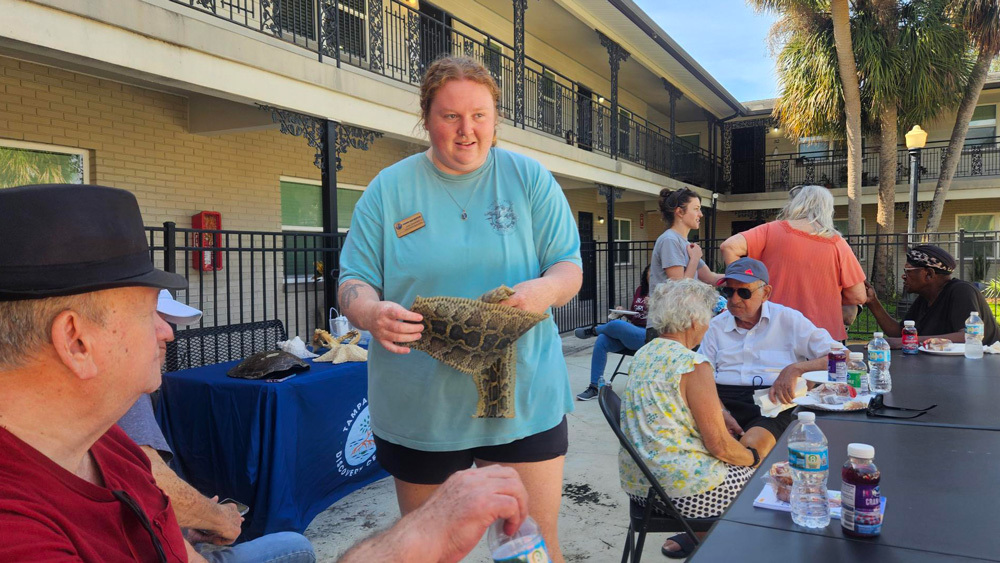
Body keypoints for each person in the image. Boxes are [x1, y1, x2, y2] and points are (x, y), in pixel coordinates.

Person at [337, 56, 582, 561]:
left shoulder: (529, 179)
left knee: (532, 544)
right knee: (430, 550)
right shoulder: (389, 189)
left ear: (495, 118)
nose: (466, 131)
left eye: (480, 115)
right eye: (450, 116)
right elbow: (352, 281)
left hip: (523, 399)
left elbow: (568, 267)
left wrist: (544, 291)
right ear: (427, 118)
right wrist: (370, 313)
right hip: (422, 406)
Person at [0, 184, 196, 562]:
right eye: (150, 311)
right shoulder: (15, 535)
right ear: (76, 342)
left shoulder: (106, 444)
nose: (166, 331)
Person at [117, 291, 315, 563]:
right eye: (153, 317)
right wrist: (217, 518)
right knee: (297, 546)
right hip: (159, 550)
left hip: (162, 539)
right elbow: (150, 484)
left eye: (165, 319)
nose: (168, 333)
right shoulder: (122, 386)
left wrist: (187, 526)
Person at [618, 279, 760, 559]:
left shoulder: (645, 353)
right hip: (681, 492)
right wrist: (753, 457)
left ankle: (705, 541)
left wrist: (721, 415)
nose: (708, 325)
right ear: (694, 320)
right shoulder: (693, 364)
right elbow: (719, 445)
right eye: (707, 318)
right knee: (766, 483)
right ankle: (729, 551)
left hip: (640, 487)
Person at [698, 258, 838, 460]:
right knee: (707, 447)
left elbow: (842, 357)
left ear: (766, 293)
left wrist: (797, 369)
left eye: (744, 292)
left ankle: (739, 487)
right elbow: (702, 376)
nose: (734, 300)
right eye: (729, 292)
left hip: (773, 402)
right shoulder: (716, 326)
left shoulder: (788, 319)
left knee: (750, 449)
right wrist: (719, 411)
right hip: (721, 399)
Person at [719, 184, 866, 342]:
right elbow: (858, 296)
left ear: (796, 204)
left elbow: (729, 246)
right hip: (822, 334)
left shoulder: (771, 230)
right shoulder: (837, 243)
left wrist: (746, 287)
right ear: (827, 209)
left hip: (774, 328)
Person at [865, 245, 999, 346]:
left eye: (908, 271)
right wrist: (873, 302)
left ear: (929, 274)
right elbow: (899, 333)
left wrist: (907, 342)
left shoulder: (961, 291)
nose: (903, 276)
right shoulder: (925, 297)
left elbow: (970, 336)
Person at [573, 265, 651, 401]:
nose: (652, 276)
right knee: (602, 339)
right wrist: (623, 311)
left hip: (647, 336)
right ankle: (594, 386)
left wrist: (655, 305)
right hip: (633, 332)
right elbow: (635, 316)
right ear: (645, 275)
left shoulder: (663, 293)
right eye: (650, 273)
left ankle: (593, 330)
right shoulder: (640, 290)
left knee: (616, 325)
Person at [649, 187, 723, 288]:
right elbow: (680, 289)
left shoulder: (685, 244)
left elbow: (710, 278)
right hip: (671, 304)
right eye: (696, 209)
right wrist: (695, 258)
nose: (701, 214)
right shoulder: (670, 240)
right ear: (680, 212)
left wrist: (744, 278)